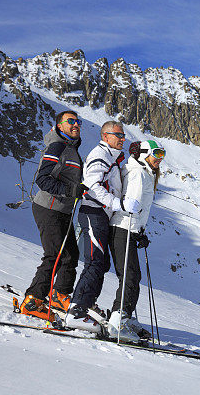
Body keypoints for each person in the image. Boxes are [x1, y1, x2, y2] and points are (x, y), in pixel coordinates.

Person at [65, 121, 138, 332]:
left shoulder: (111, 158)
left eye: (123, 136)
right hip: (93, 212)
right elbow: (91, 186)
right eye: (118, 135)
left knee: (101, 263)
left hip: (101, 215)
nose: (122, 139)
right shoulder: (100, 155)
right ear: (106, 136)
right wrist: (118, 204)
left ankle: (84, 307)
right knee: (95, 263)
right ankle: (76, 311)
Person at [21, 110, 86, 319]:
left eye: (78, 121)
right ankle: (33, 300)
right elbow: (43, 179)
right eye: (71, 121)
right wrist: (69, 191)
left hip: (63, 210)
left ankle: (59, 295)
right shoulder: (57, 146)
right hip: (48, 208)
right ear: (60, 125)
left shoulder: (71, 149)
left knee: (70, 255)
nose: (76, 125)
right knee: (54, 255)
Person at [107, 140, 164, 342]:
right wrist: (136, 229)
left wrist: (139, 231)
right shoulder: (139, 174)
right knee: (130, 276)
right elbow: (132, 205)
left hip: (128, 229)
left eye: (162, 155)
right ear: (144, 154)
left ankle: (125, 316)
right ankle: (117, 320)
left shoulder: (142, 172)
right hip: (123, 228)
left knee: (133, 275)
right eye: (156, 154)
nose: (159, 159)